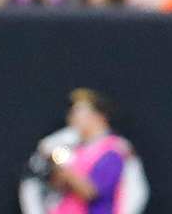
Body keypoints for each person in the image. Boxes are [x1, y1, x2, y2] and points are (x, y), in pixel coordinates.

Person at [18, 89, 148, 214]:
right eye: (72, 113)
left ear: (99, 116)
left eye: (78, 112)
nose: (72, 118)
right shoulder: (75, 148)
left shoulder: (114, 150)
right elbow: (57, 185)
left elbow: (90, 192)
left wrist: (61, 160)